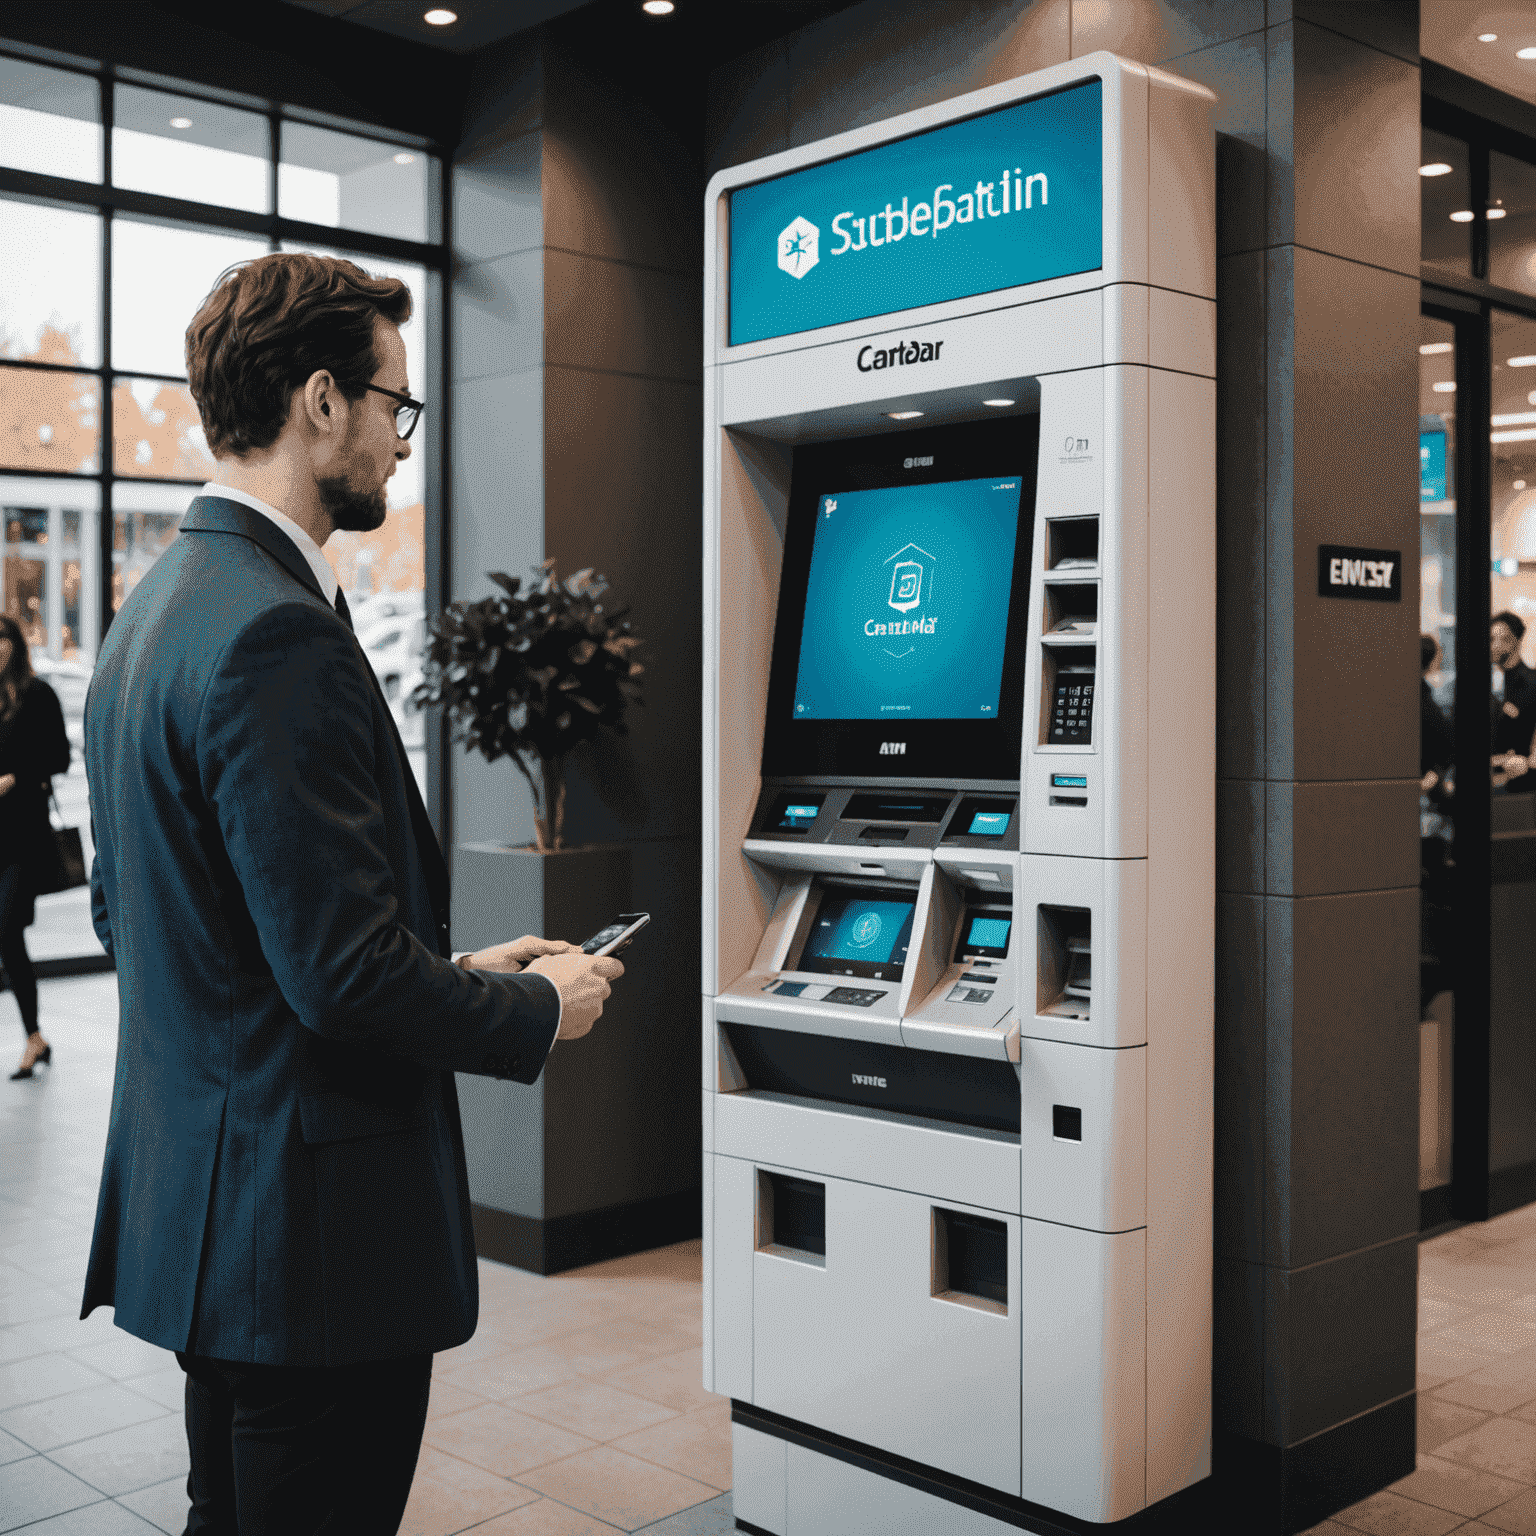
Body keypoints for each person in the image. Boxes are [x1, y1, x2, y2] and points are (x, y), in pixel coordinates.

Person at [80, 252, 625, 1535]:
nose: (401, 442)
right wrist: (536, 1012)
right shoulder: (278, 632)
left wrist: (456, 973)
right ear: (322, 401)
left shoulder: (153, 610)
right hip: (309, 1245)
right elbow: (336, 978)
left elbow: (162, 922)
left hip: (215, 1224)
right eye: (397, 407)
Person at [0, 612, 72, 1080]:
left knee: (6, 929)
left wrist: (16, 777)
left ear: (15, 646)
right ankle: (35, 1037)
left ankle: (32, 1036)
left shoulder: (38, 693)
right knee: (9, 939)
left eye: (2, 640)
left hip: (22, 834)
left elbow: (60, 757)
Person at [1490, 610, 1536, 788]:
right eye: (1491, 640)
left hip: (1521, 782)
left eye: (1500, 639)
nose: (1493, 646)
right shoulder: (1487, 682)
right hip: (1488, 780)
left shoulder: (1531, 683)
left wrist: (1528, 762)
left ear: (1515, 642)